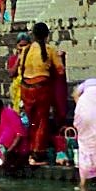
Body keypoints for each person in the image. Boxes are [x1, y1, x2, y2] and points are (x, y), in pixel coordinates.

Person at [19, 22, 66, 166]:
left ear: (33, 34)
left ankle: (30, 151)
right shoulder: (50, 49)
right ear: (47, 35)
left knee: (32, 122)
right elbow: (60, 71)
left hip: (25, 89)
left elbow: (21, 69)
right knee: (41, 122)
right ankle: (37, 155)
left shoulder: (26, 49)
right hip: (41, 89)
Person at [0, 96, 28, 170]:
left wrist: (8, 152)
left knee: (8, 131)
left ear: (0, 108)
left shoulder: (11, 114)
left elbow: (19, 134)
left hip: (15, 150)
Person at [7, 32, 31, 114]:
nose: (23, 48)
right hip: (17, 90)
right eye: (21, 45)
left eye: (25, 45)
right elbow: (11, 74)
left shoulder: (33, 57)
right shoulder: (13, 58)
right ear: (17, 46)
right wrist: (19, 59)